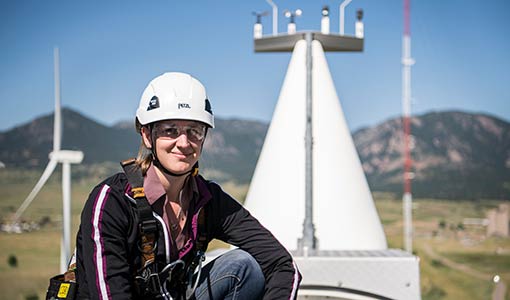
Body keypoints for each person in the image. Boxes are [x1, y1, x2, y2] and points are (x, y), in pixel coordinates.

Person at [74, 72, 301, 299]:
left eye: (194, 131)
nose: (184, 143)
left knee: (244, 266)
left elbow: (281, 264)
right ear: (146, 134)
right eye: (170, 130)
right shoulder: (112, 201)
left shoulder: (207, 199)